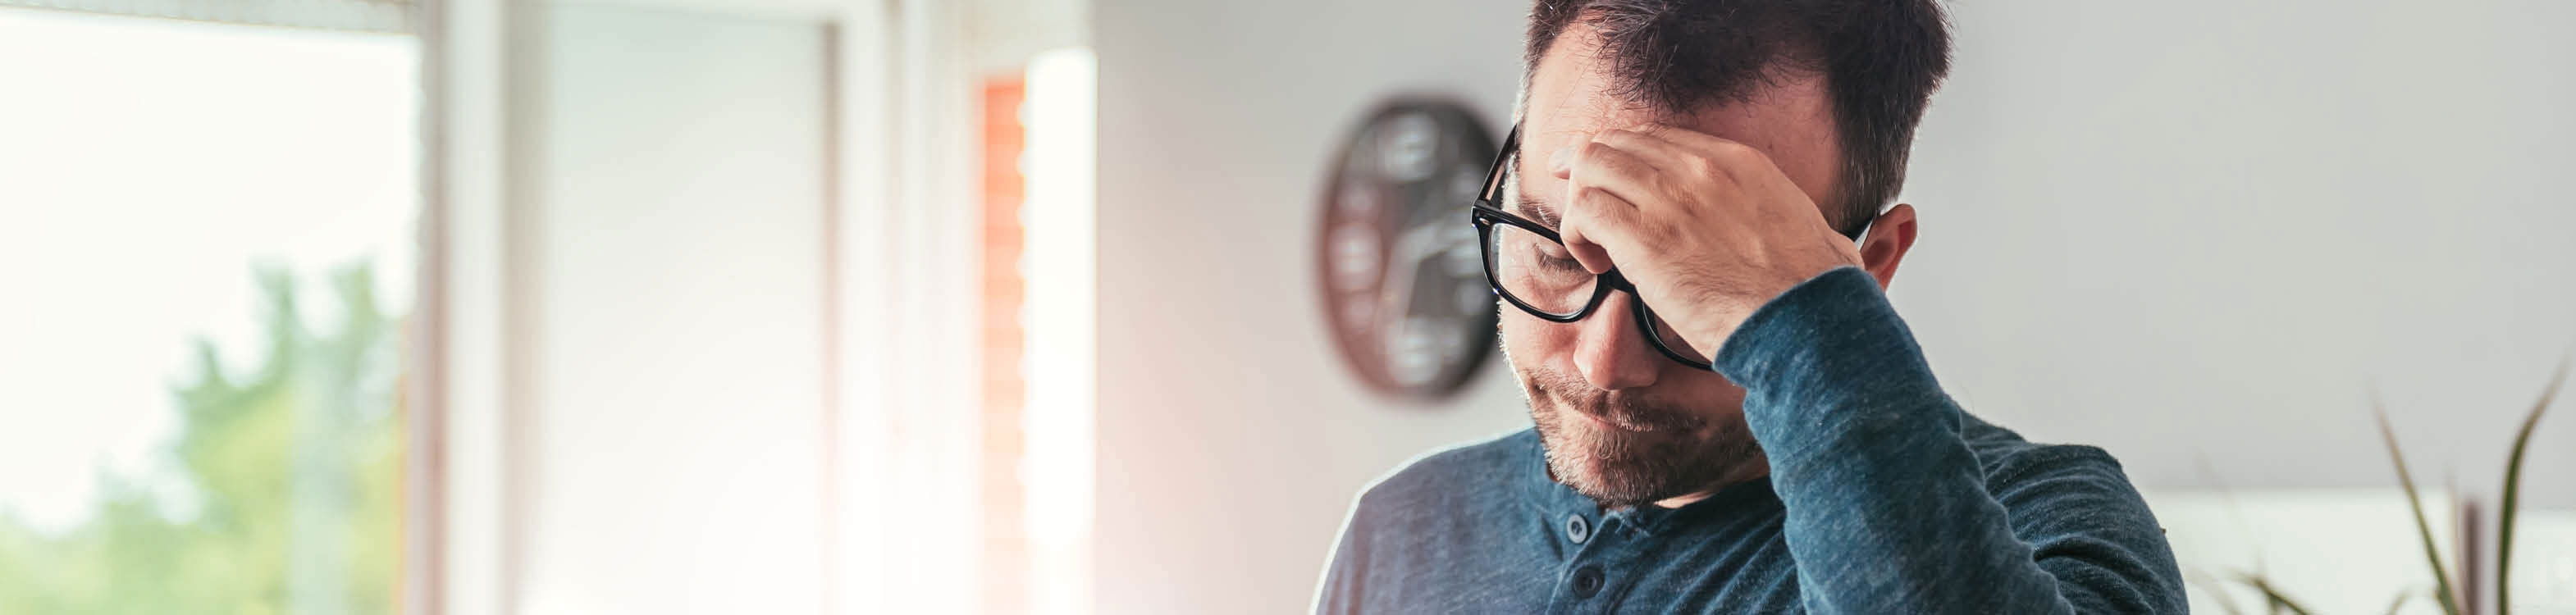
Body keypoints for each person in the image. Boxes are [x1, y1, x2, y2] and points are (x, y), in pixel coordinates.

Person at [1314, 1, 2186, 612]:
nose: (1603, 361)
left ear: (1870, 266)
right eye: (1554, 249)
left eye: (1694, 284)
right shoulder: (1401, 527)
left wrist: (1801, 317)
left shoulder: (2050, 527)